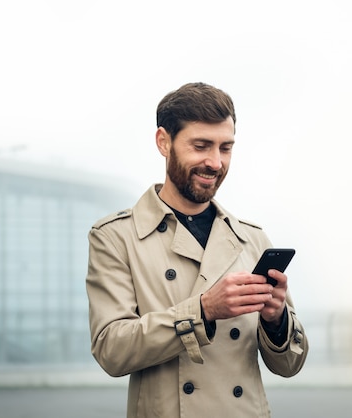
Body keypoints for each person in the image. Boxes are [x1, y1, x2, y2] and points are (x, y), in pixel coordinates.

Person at [86, 82, 308, 418]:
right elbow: (111, 351)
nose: (216, 162)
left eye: (226, 148)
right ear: (164, 142)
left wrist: (275, 319)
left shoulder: (253, 239)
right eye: (201, 146)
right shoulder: (115, 237)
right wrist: (203, 310)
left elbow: (289, 365)